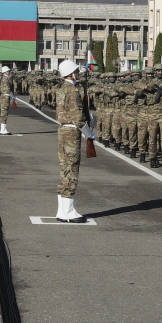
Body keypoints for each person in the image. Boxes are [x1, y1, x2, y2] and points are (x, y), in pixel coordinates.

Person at [55, 60, 92, 223]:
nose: (79, 73)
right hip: (71, 131)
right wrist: (89, 133)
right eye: (77, 71)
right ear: (70, 73)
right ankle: (68, 211)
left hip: (63, 130)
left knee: (65, 169)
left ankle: (62, 210)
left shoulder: (62, 88)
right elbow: (78, 116)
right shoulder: (73, 90)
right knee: (72, 170)